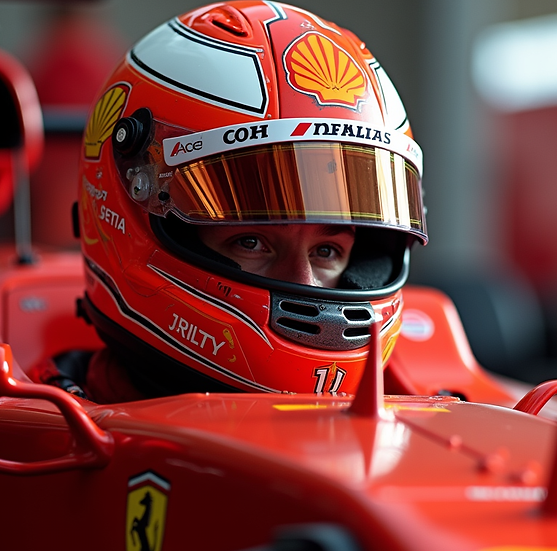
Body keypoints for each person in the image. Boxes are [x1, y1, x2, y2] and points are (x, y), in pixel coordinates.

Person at [36, 1, 427, 402]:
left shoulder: (437, 395)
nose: (303, 283)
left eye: (327, 250)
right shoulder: (21, 427)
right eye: (251, 242)